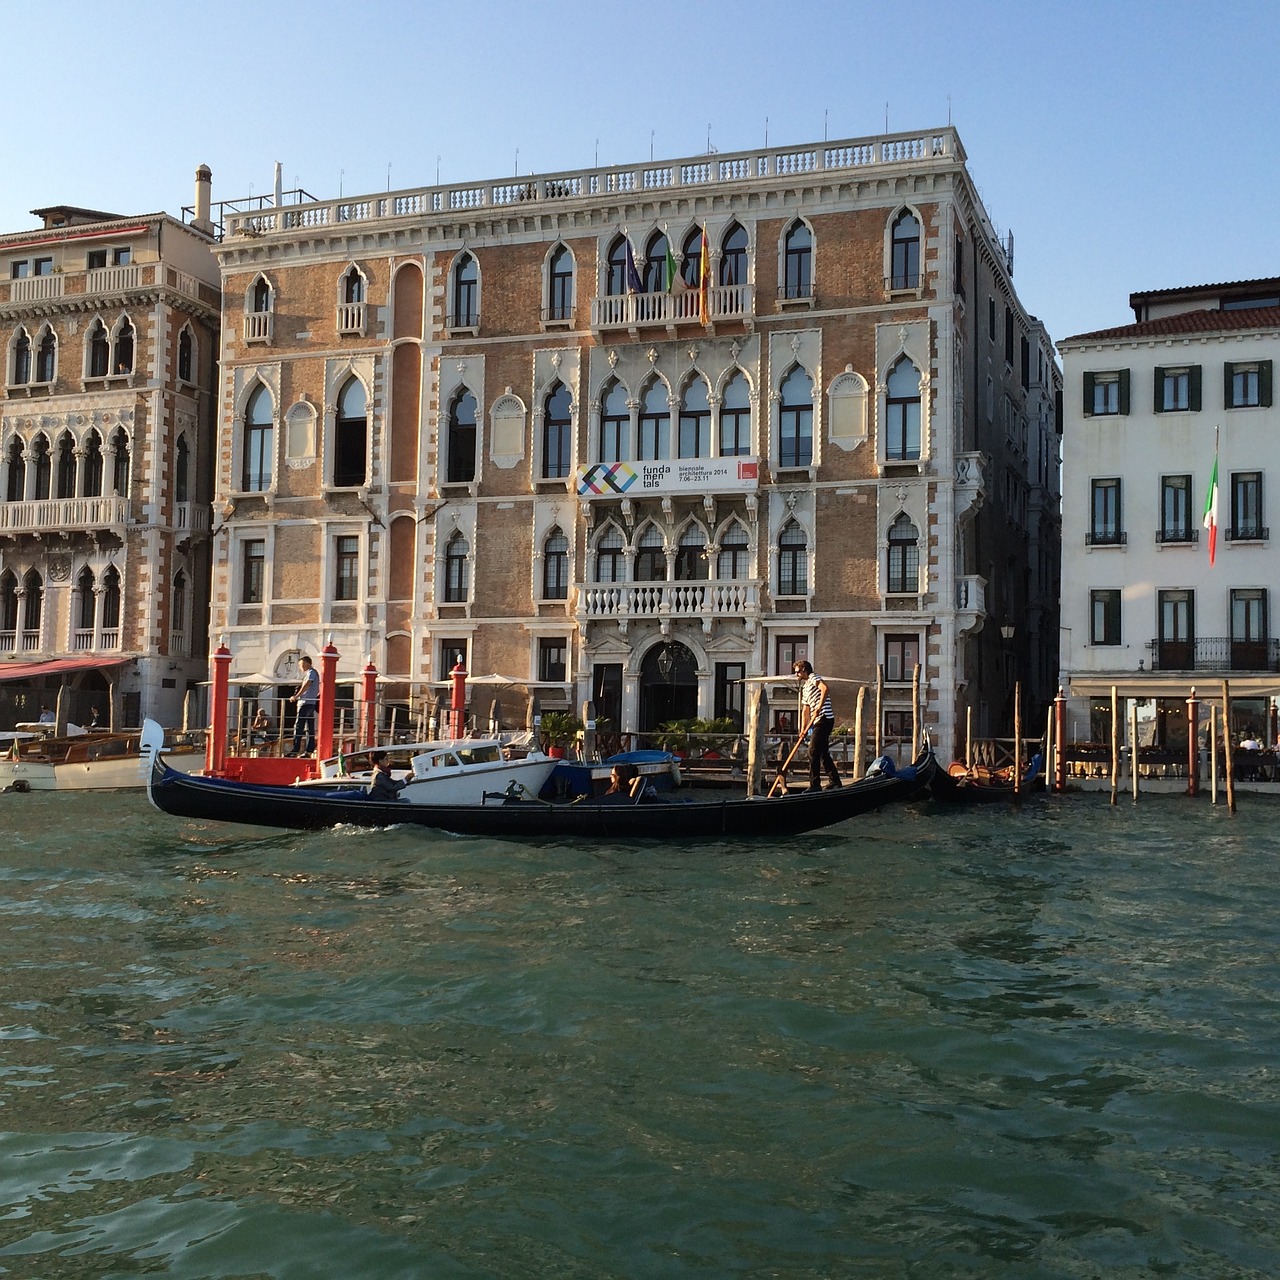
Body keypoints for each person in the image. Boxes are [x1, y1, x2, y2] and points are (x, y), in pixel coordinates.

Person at [794, 659, 842, 791]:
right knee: (822, 753)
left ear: (804, 670)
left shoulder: (813, 677)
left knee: (812, 751)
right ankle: (835, 781)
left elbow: (825, 689)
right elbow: (805, 711)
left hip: (824, 718)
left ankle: (815, 785)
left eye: (798, 672)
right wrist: (803, 730)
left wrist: (819, 707)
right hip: (817, 721)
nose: (796, 675)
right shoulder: (805, 687)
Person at [287, 656, 319, 757]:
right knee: (309, 727)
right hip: (310, 703)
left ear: (307, 663)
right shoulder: (311, 673)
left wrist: (297, 696)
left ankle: (295, 749)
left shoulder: (311, 673)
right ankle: (309, 750)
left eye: (301, 665)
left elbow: (308, 684)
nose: (301, 667)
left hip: (306, 703)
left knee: (299, 726)